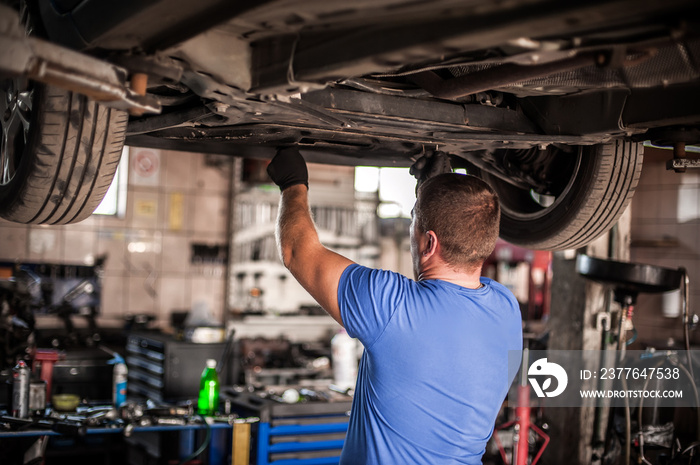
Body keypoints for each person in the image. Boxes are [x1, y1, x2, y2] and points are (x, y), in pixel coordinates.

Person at [266, 147, 523, 464]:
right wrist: (434, 189)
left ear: (429, 243)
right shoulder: (507, 309)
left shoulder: (388, 307)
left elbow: (296, 250)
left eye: (413, 223)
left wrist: (293, 182)